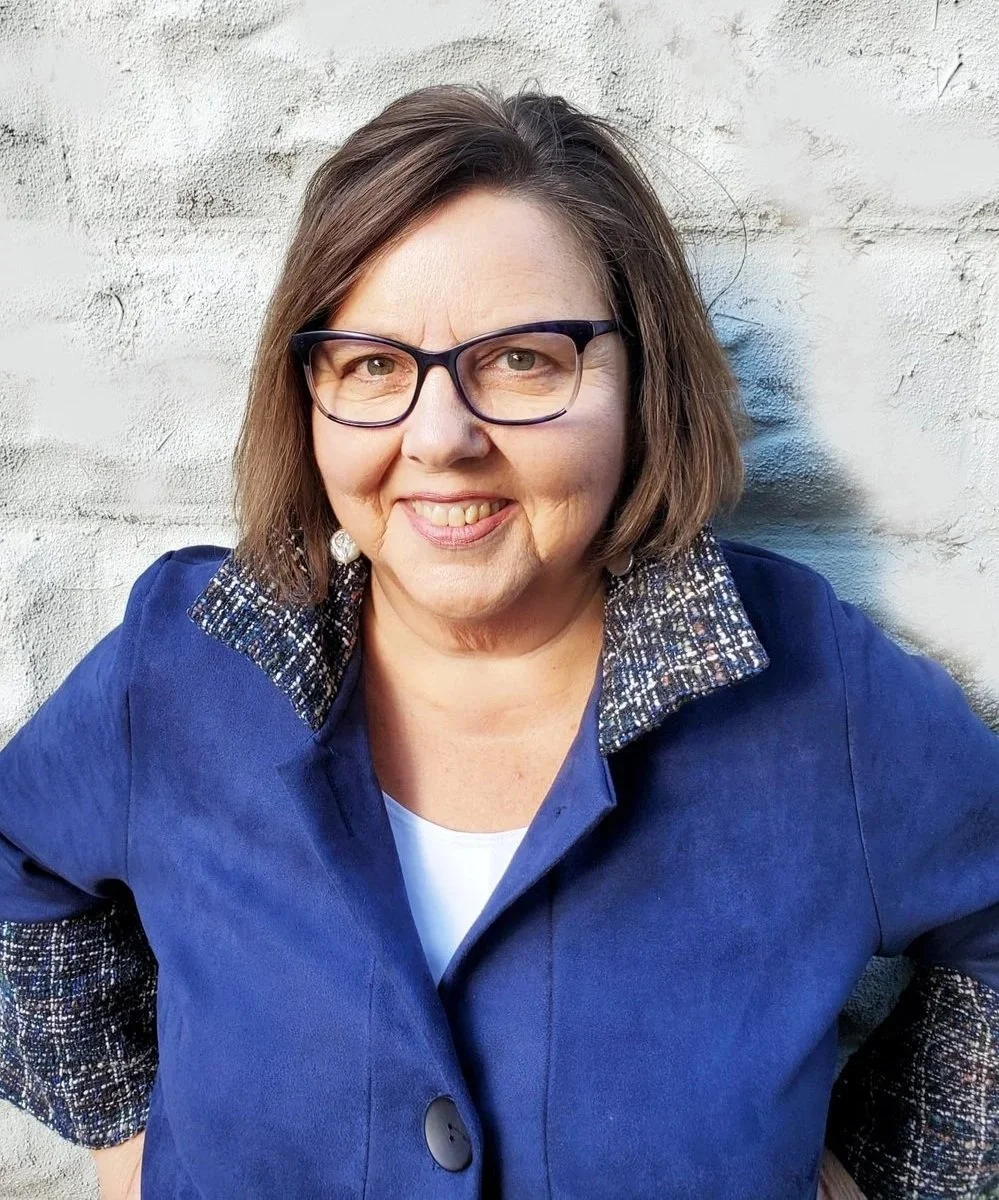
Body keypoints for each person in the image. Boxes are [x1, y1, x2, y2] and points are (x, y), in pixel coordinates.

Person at [0, 82, 996, 1200]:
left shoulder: (819, 697)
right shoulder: (182, 670)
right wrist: (129, 1136)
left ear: (641, 379)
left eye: (524, 357)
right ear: (307, 394)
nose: (441, 437)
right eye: (371, 364)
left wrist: (892, 1161)